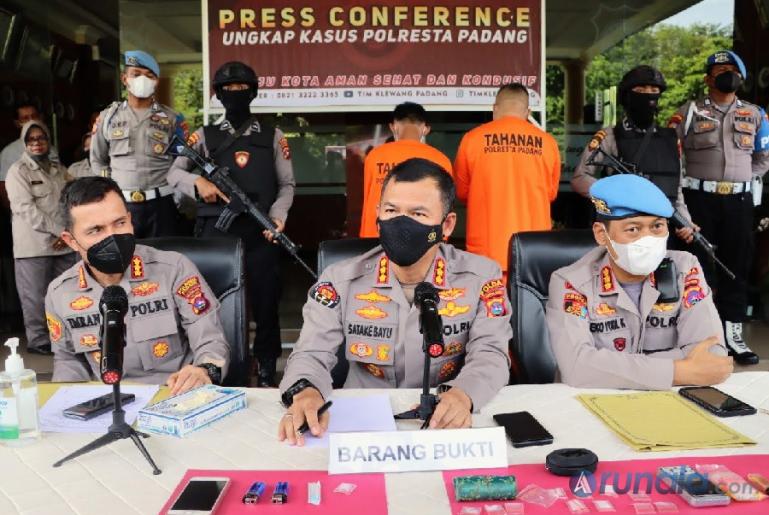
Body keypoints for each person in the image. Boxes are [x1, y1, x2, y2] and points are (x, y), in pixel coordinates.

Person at [277, 158, 511, 445]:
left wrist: (464, 394)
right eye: (391, 210)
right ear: (377, 215)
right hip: (362, 425)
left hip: (443, 421)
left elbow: (491, 352)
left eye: (417, 214)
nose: (401, 224)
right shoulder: (341, 279)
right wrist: (307, 390)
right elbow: (310, 352)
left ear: (446, 224)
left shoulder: (480, 277)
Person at [168, 61, 295, 387]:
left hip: (261, 230)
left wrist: (278, 216)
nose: (235, 95)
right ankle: (217, 364)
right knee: (213, 304)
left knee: (266, 302)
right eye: (228, 90)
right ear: (218, 95)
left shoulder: (273, 136)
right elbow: (174, 173)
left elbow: (287, 185)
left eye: (242, 89)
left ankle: (267, 364)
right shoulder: (204, 135)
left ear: (253, 92)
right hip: (217, 237)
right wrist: (199, 184)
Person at [546, 174, 732, 389]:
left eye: (657, 227)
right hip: (593, 401)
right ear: (601, 234)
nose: (647, 239)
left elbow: (712, 353)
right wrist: (679, 370)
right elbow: (577, 367)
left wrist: (609, 367)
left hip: (667, 400)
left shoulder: (685, 269)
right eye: (633, 229)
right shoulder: (571, 282)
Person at [46, 176, 230, 393]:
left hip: (175, 397)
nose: (112, 237)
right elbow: (68, 362)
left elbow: (210, 340)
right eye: (95, 230)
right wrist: (68, 401)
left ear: (130, 219)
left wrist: (203, 370)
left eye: (120, 223)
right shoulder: (60, 293)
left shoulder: (174, 269)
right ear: (71, 240)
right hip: (106, 405)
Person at [669, 50, 769, 365]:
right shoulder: (689, 112)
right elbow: (672, 159)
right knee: (696, 268)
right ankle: (699, 337)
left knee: (736, 268)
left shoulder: (756, 115)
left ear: (741, 77)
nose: (726, 74)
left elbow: (763, 159)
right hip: (698, 200)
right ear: (708, 78)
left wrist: (740, 181)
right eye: (720, 70)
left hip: (738, 202)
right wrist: (681, 206)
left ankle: (734, 336)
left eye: (731, 69)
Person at [572, 65, 695, 244]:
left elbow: (676, 191)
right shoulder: (611, 135)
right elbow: (580, 178)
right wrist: (613, 193)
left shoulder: (670, 138)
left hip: (661, 230)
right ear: (627, 96)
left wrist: (686, 222)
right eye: (641, 90)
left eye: (654, 91)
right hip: (625, 230)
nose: (648, 95)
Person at [454, 83, 561, 276]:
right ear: (528, 111)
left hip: (486, 252)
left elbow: (462, 192)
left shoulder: (472, 139)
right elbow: (551, 194)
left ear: (495, 108)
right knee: (530, 305)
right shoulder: (547, 143)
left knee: (488, 305)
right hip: (533, 251)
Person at [90, 50, 189, 238]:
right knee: (126, 261)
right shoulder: (108, 118)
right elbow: (97, 161)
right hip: (122, 205)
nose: (142, 80)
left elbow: (183, 163)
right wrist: (109, 192)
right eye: (136, 74)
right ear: (124, 78)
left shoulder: (172, 119)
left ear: (157, 81)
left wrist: (180, 197)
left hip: (163, 205)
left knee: (164, 261)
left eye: (149, 76)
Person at [6, 121, 76, 354]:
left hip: (63, 243)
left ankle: (65, 337)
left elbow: (70, 202)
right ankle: (39, 342)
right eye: (31, 140)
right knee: (35, 297)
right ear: (25, 144)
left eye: (41, 138)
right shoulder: (18, 171)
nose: (37, 143)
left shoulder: (59, 169)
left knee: (68, 292)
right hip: (34, 245)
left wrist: (66, 230)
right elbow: (25, 209)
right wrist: (61, 231)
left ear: (48, 141)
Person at [359, 102, 452, 237]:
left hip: (377, 239)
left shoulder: (375, 156)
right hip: (422, 240)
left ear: (393, 127)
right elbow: (445, 205)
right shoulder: (440, 160)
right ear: (425, 129)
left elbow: (368, 199)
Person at [0, 102, 59, 181]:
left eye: (34, 116)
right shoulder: (9, 152)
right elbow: (4, 185)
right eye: (25, 118)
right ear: (17, 123)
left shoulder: (51, 149)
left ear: (41, 118)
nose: (31, 121)